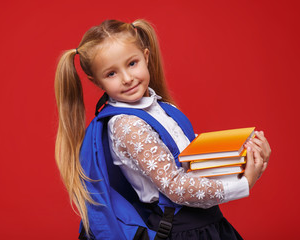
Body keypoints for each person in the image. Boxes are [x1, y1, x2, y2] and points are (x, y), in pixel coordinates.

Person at [54, 19, 271, 240]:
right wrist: (243, 184)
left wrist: (246, 156)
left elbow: (188, 157)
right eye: (111, 74)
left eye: (132, 63)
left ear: (146, 57)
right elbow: (175, 186)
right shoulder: (127, 125)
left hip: (207, 222)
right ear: (96, 82)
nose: (127, 78)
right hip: (181, 231)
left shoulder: (162, 107)